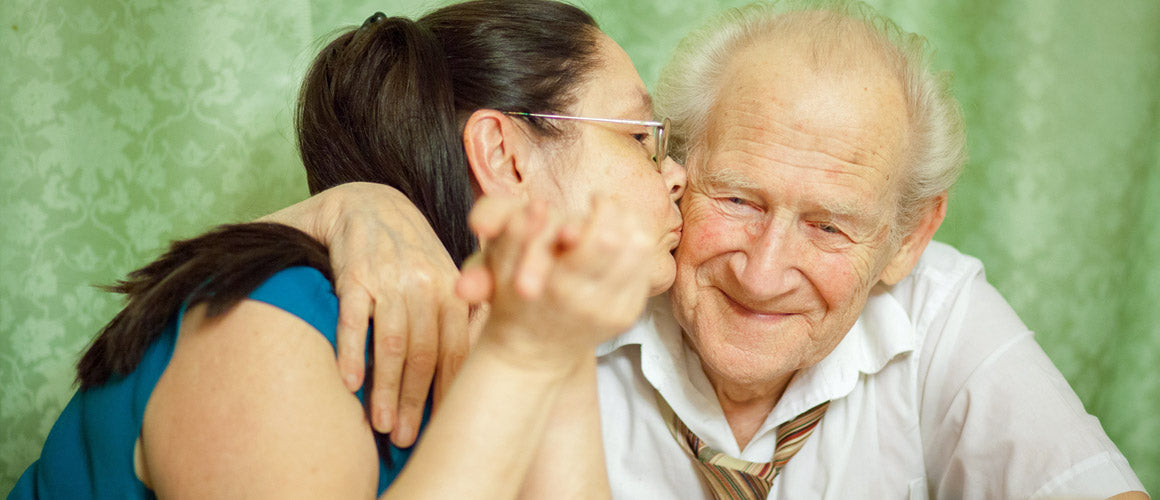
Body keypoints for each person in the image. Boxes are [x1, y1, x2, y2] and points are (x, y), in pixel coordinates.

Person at [308, 1, 1150, 499]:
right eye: (738, 199)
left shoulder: (940, 306)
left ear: (907, 239)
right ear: (682, 170)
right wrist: (355, 206)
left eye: (828, 225)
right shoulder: (572, 292)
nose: (762, 269)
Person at [8, 0, 685, 498]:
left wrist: (547, 349)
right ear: (503, 155)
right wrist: (524, 357)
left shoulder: (520, 344)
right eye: (639, 135)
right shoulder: (273, 324)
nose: (676, 172)